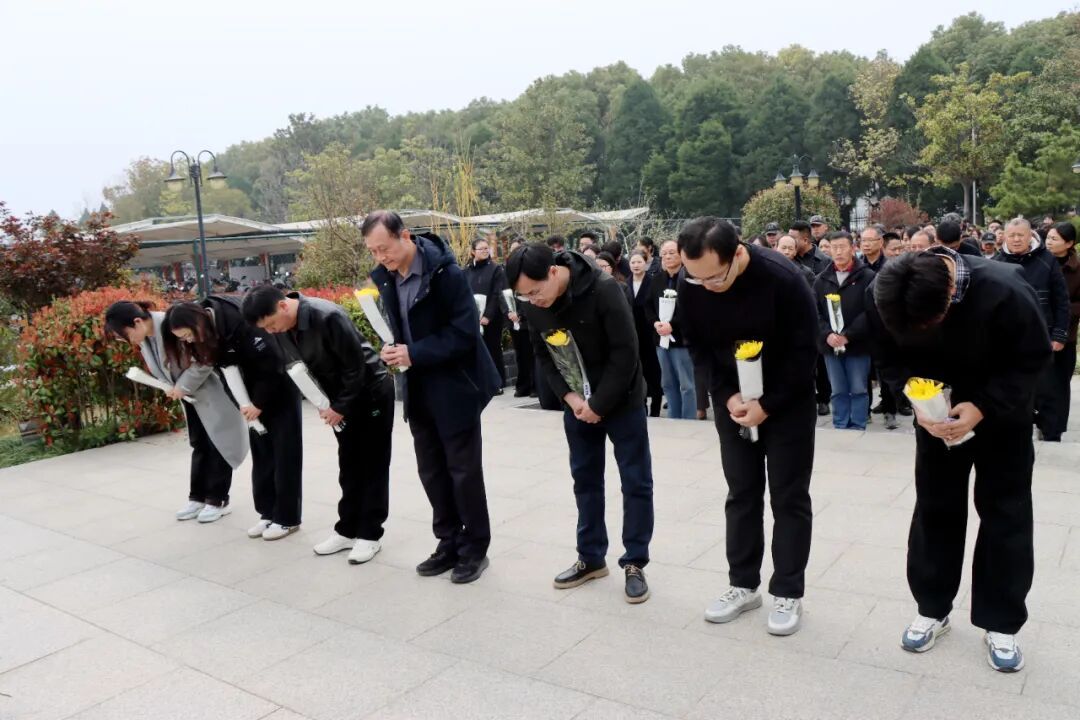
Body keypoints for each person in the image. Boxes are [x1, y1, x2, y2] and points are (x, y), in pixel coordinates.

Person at [868, 248, 1051, 673]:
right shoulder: (887, 291)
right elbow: (887, 357)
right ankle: (932, 607)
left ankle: (1001, 621)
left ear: (950, 292)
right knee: (935, 509)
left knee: (1005, 513)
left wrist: (983, 405)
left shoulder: (1005, 288)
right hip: (935, 417)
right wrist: (913, 399)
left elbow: (1033, 359)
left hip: (1002, 417)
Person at [676, 217, 818, 636]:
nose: (707, 286)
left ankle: (788, 591)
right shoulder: (693, 280)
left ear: (737, 253)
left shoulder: (783, 278)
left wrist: (768, 405)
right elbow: (698, 347)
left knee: (789, 496)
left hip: (787, 402)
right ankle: (743, 584)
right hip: (733, 401)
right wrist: (726, 397)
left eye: (715, 277)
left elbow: (804, 353)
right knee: (741, 492)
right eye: (697, 278)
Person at [506, 242, 654, 604]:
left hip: (622, 400)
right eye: (524, 296)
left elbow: (626, 352)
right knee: (585, 480)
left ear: (553, 272)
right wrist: (571, 399)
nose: (533, 301)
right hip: (577, 405)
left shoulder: (603, 288)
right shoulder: (534, 303)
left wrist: (599, 404)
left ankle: (635, 562)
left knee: (635, 481)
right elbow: (543, 355)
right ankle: (590, 557)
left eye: (535, 292)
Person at [363, 210, 501, 584]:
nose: (380, 257)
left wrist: (415, 353)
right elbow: (402, 328)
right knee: (432, 471)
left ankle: (475, 548)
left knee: (463, 471)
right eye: (373, 251)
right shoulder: (387, 277)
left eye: (384, 248)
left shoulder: (446, 274)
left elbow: (465, 333)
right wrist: (393, 350)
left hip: (456, 386)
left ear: (405, 236)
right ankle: (448, 541)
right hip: (418, 386)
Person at [242, 286, 395, 564]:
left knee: (372, 466)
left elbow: (356, 367)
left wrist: (339, 407)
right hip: (339, 400)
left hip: (369, 394)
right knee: (349, 465)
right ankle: (347, 530)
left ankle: (370, 535)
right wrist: (325, 403)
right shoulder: (284, 327)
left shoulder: (327, 316)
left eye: (271, 324)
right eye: (266, 329)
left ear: (283, 306)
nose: (272, 331)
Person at [170, 297, 303, 540]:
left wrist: (258, 403)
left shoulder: (238, 320)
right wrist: (242, 405)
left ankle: (287, 518)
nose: (188, 341)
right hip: (250, 401)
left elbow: (272, 363)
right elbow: (226, 375)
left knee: (285, 456)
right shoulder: (210, 334)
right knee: (262, 458)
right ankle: (267, 513)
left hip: (278, 390)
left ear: (198, 322)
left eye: (188, 335)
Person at [105, 301, 249, 524]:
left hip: (210, 392)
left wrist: (183, 386)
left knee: (218, 444)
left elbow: (205, 358)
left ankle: (218, 499)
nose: (126, 341)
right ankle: (197, 497)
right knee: (199, 444)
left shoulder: (172, 323)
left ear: (137, 322)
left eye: (125, 336)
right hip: (189, 396)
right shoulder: (146, 337)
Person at [995, 218, 1071, 441]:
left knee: (1048, 389)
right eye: (1012, 235)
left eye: (1021, 235)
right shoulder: (998, 262)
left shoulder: (1047, 260)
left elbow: (1062, 300)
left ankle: (1051, 434)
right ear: (1005, 237)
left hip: (1043, 336)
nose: (1016, 239)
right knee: (1013, 390)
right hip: (1009, 340)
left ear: (1030, 236)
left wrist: (1059, 334)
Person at [813, 232, 876, 430]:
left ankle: (858, 424)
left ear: (853, 248)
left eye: (842, 247)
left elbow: (871, 312)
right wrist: (827, 335)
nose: (838, 252)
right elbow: (815, 312)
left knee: (858, 388)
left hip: (857, 343)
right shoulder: (821, 279)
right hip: (831, 344)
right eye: (834, 247)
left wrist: (848, 335)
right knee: (837, 389)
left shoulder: (867, 277)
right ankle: (840, 424)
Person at [645, 240, 697, 420]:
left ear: (681, 255)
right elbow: (648, 306)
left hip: (682, 339)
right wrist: (655, 323)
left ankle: (688, 419)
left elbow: (691, 309)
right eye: (664, 253)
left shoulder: (689, 278)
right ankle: (673, 418)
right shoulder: (657, 279)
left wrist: (672, 324)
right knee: (667, 384)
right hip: (661, 339)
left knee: (686, 385)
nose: (667, 256)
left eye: (672, 252)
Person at [1040, 222, 1080, 440]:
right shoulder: (1040, 262)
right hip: (1038, 331)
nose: (1049, 242)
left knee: (1059, 383)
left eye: (1054, 239)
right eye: (1048, 238)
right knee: (1039, 382)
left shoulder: (1077, 269)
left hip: (1065, 335)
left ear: (1069, 243)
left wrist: (1061, 309)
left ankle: (1054, 430)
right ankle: (1040, 421)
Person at [791, 220, 831, 415]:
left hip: (818, 317)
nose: (790, 241)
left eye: (794, 238)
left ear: (805, 240)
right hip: (796, 321)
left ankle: (824, 398)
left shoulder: (823, 261)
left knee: (821, 361)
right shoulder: (789, 260)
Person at [464, 237, 509, 396]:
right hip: (473, 317)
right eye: (481, 249)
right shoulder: (466, 271)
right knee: (476, 351)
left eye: (486, 248)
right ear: (473, 252)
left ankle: (497, 383)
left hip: (491, 318)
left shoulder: (495, 269)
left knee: (492, 349)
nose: (485, 251)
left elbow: (497, 293)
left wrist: (488, 315)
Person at [625, 250, 664, 417]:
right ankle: (641, 407)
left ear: (646, 264)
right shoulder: (625, 283)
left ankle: (655, 408)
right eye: (633, 262)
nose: (636, 265)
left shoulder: (653, 282)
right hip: (632, 334)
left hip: (650, 333)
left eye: (639, 262)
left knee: (653, 372)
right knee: (637, 373)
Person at [506, 237, 535, 398]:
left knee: (532, 354)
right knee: (520, 355)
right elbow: (502, 293)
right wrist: (508, 312)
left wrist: (521, 314)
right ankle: (523, 385)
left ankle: (535, 386)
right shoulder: (507, 270)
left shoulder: (530, 269)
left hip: (527, 318)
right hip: (513, 319)